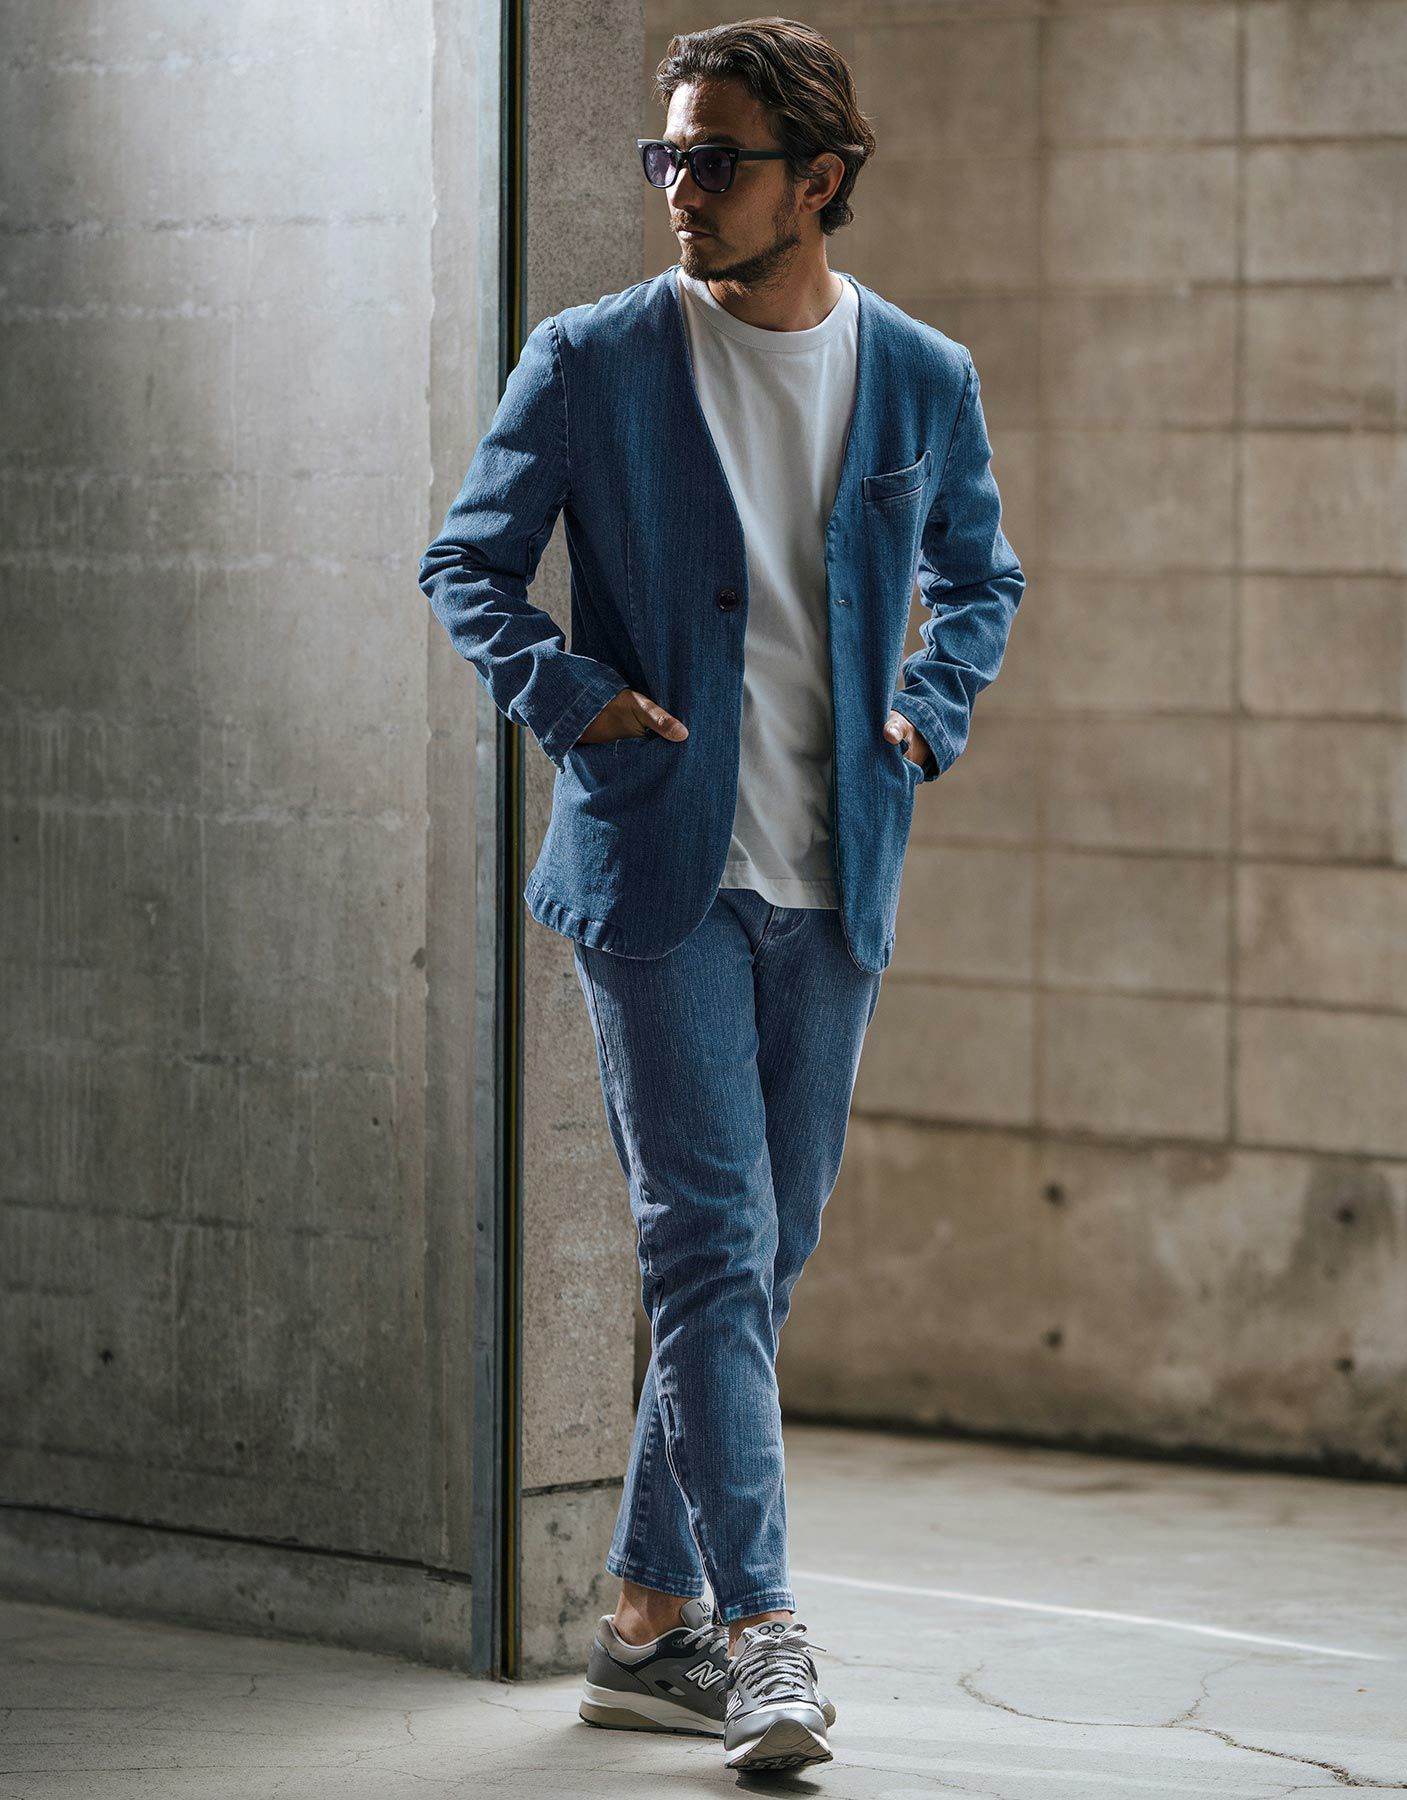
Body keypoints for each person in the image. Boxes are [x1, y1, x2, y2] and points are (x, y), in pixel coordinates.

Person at [418, 17, 1025, 1775]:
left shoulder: (919, 374)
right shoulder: (594, 356)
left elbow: (981, 577)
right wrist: (568, 692)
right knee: (706, 1241)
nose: (681, 189)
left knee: (761, 1261)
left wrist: (926, 710)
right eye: (667, 157)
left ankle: (639, 1624)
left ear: (817, 180)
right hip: (658, 870)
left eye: (717, 160)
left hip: (834, 877)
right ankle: (764, 1636)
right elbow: (468, 562)